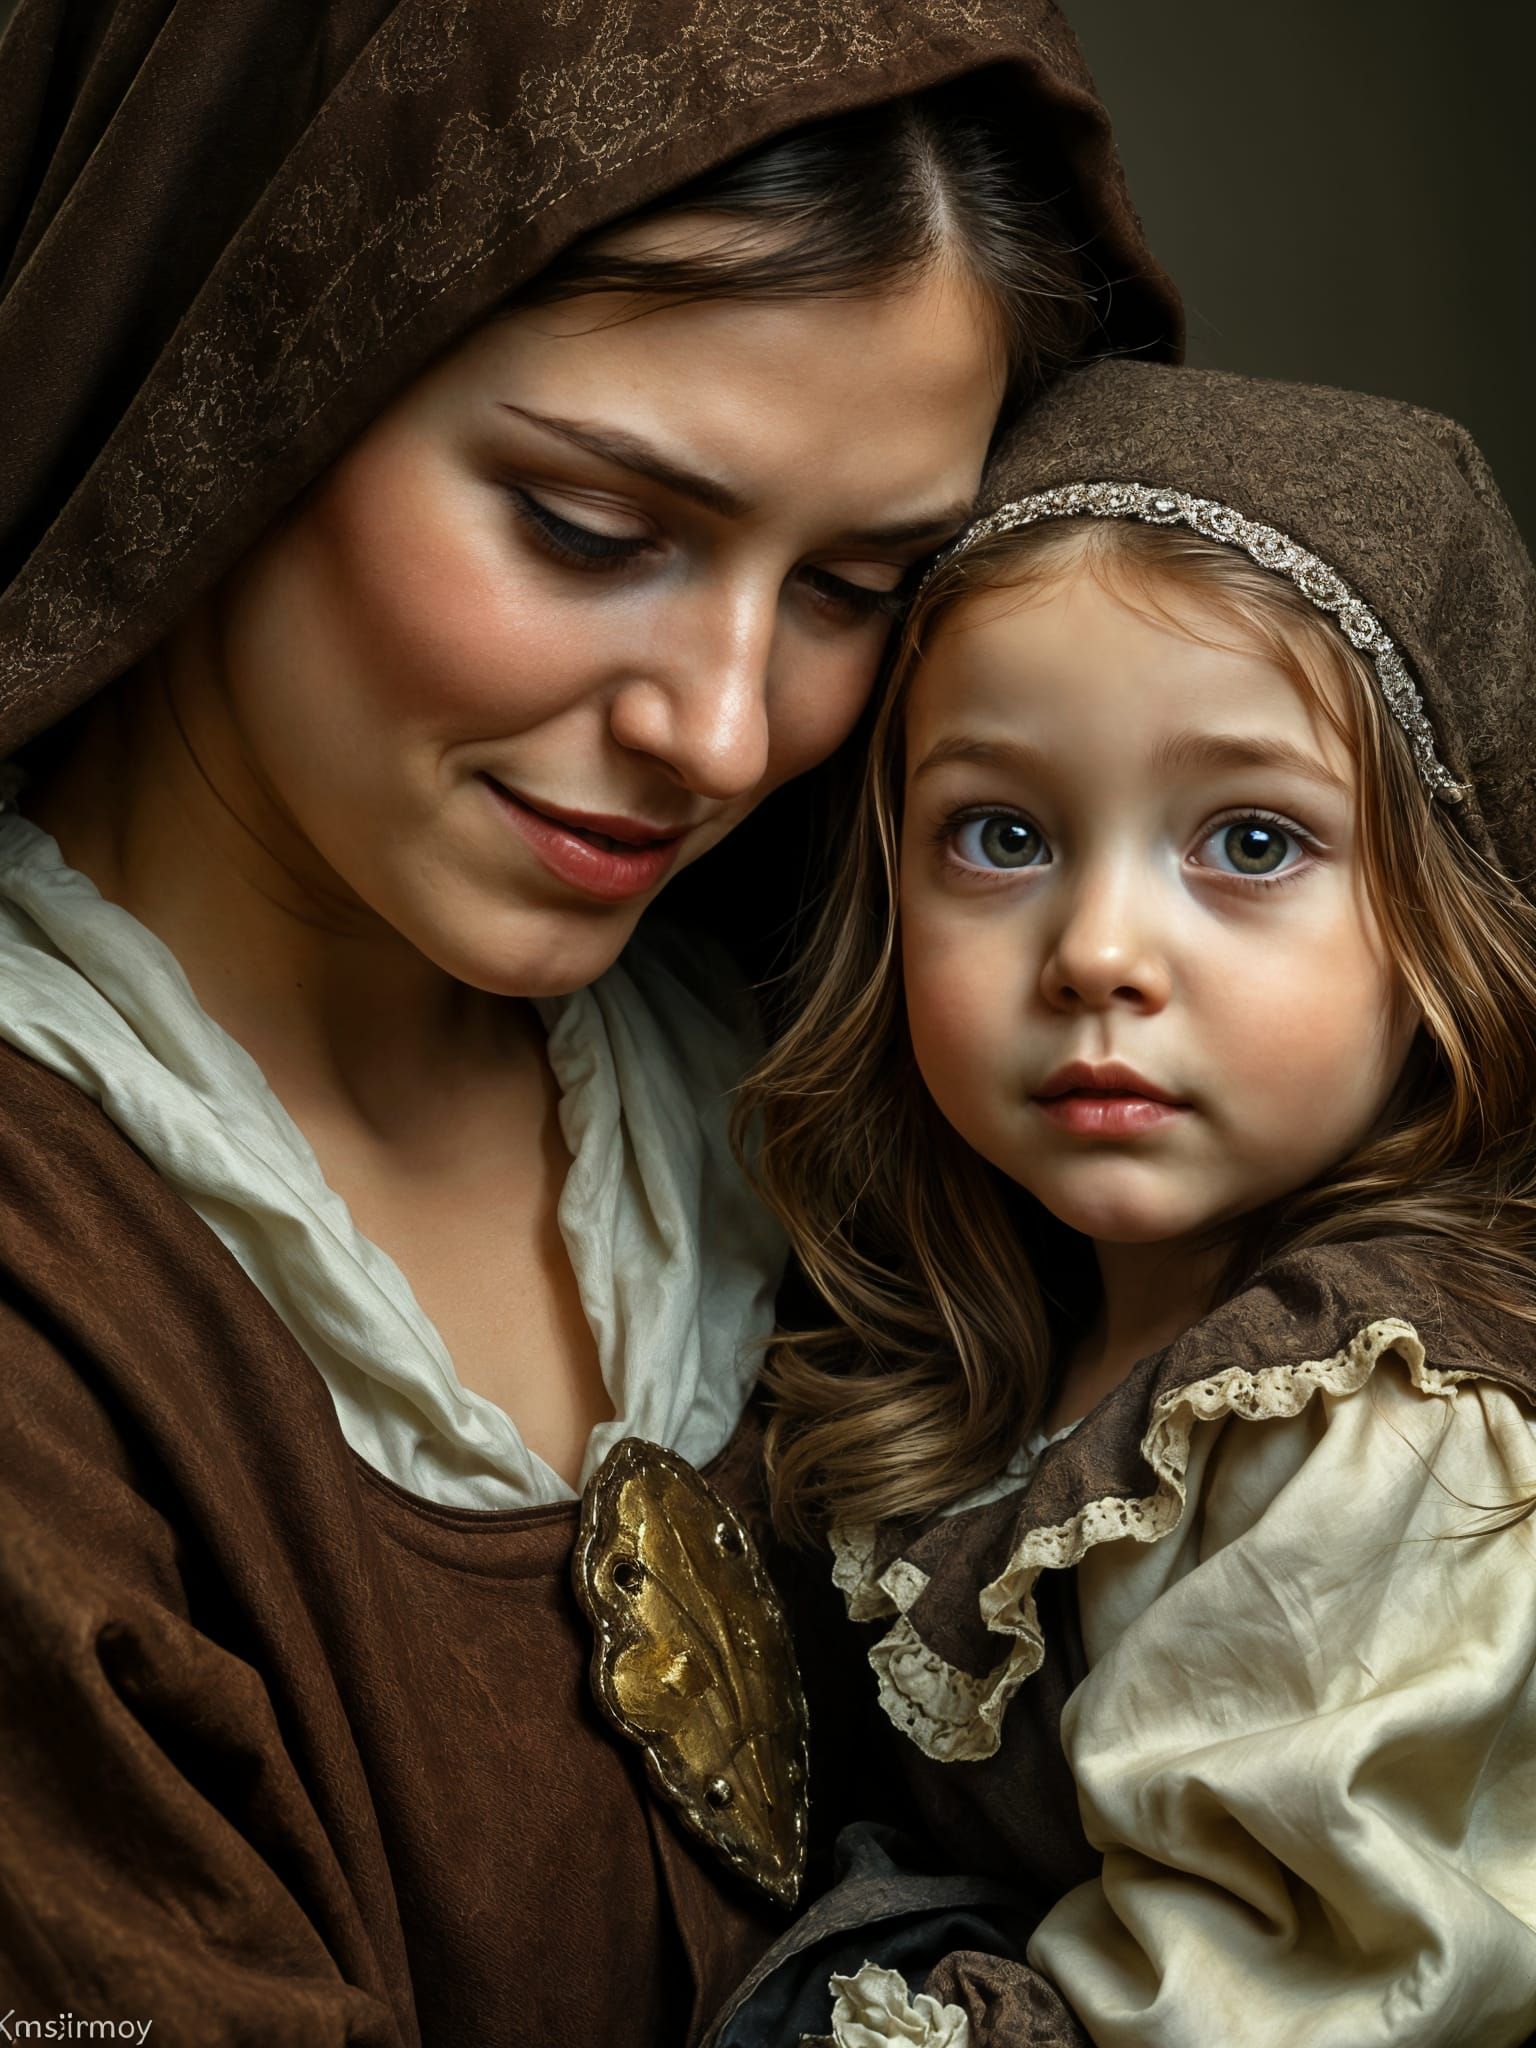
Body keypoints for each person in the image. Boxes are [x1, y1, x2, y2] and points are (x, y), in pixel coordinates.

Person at [0, 3, 1181, 2039]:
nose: (726, 730)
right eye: (590, 528)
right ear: (240, 368)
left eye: (854, 585)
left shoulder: (904, 1091)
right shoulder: (49, 1313)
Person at [728, 359, 1536, 2047]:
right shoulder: (999, 1318)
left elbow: (1294, 1997)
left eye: (1249, 844)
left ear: (1433, 925)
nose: (1098, 953)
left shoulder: (1380, 1435)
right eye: (1002, 833)